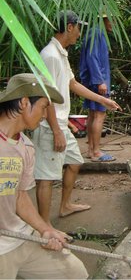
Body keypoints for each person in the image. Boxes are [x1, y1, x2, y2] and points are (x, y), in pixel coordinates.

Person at [32, 10, 121, 224]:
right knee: (46, 178)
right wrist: (56, 131)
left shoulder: (61, 53)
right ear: (70, 27)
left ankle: (65, 206)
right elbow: (47, 98)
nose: (80, 33)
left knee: (75, 162)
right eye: (78, 28)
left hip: (61, 122)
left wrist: (103, 101)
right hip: (49, 125)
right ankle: (45, 227)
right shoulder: (50, 55)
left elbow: (72, 84)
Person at [0, 73, 88, 279]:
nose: (46, 114)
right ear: (23, 102)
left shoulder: (26, 147)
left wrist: (44, 229)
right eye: (43, 106)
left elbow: (20, 196)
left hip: (21, 237)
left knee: (75, 273)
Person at [79, 14, 115, 162]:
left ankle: (91, 150)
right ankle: (96, 151)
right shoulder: (97, 34)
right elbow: (92, 58)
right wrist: (100, 81)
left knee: (93, 114)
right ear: (104, 20)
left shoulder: (93, 33)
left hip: (92, 80)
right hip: (97, 81)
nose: (113, 24)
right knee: (100, 115)